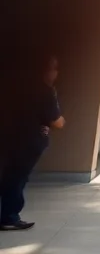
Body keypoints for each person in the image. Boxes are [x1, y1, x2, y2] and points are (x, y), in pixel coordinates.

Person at [0, 56, 65, 232]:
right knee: (16, 178)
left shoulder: (14, 87)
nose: (56, 72)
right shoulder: (44, 91)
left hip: (10, 137)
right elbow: (57, 121)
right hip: (29, 141)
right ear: (45, 71)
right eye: (54, 68)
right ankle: (8, 216)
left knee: (9, 176)